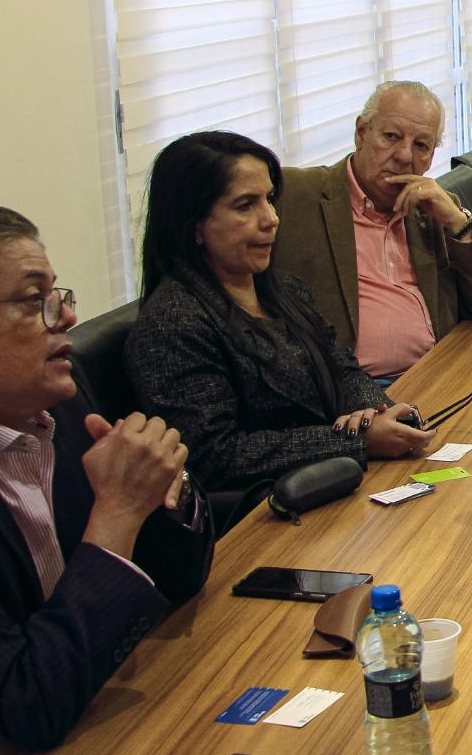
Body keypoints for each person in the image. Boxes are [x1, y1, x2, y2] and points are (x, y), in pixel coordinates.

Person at [0, 205, 212, 755]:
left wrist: (166, 488)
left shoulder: (56, 395)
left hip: (95, 714)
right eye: (34, 299)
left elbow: (177, 579)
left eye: (57, 294)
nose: (67, 316)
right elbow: (25, 702)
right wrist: (117, 515)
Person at [126, 131, 434, 499]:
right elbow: (214, 457)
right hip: (270, 510)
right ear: (194, 225)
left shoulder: (283, 288)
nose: (271, 219)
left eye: (269, 199)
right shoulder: (173, 324)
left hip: (341, 481)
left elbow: (342, 368)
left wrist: (376, 411)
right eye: (246, 206)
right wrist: (355, 440)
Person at [270, 80, 472, 380]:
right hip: (354, 391)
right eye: (391, 136)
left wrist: (457, 221)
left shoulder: (435, 209)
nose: (404, 156)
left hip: (438, 373)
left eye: (421, 145)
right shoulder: (294, 195)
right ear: (361, 133)